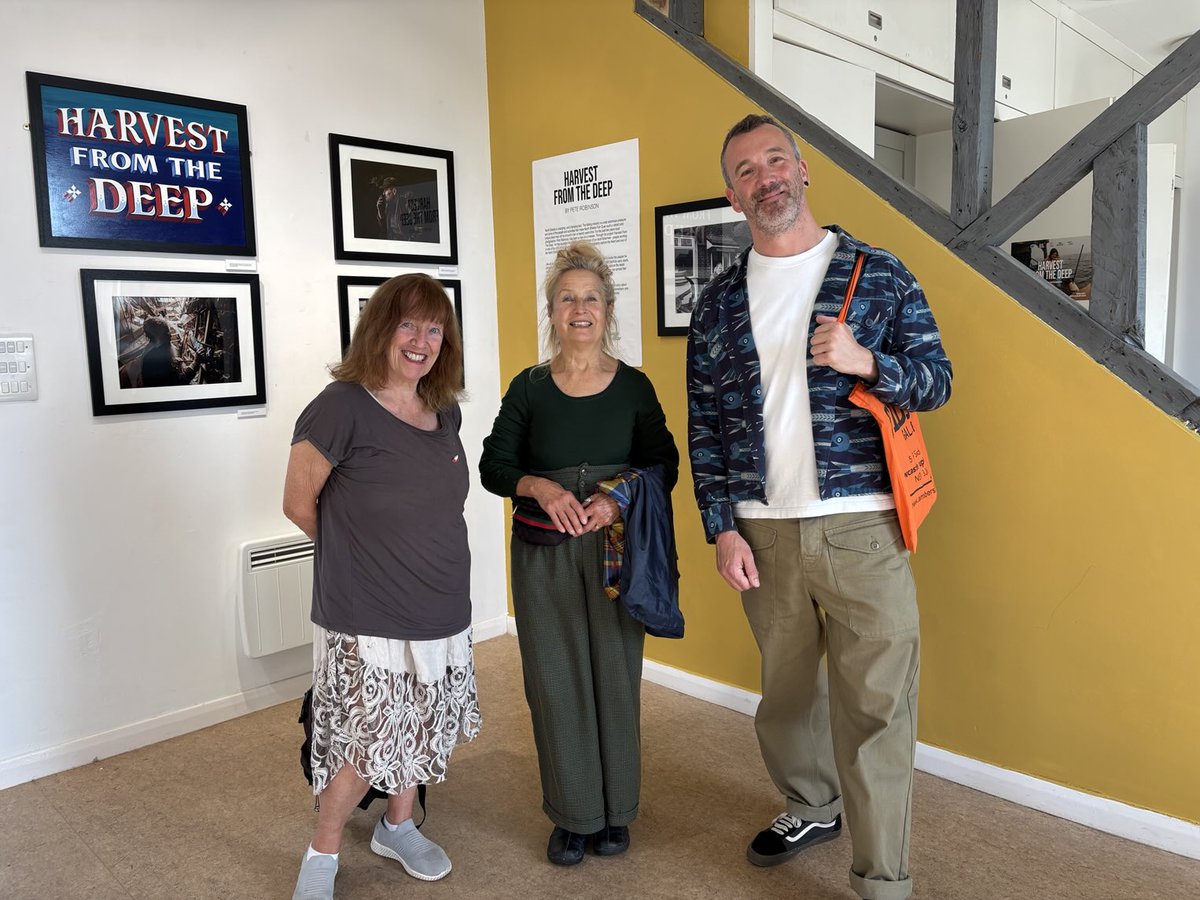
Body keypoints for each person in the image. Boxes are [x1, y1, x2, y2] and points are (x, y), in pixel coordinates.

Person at [687, 114, 952, 900]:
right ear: (733, 196)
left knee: (878, 710)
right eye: (745, 170)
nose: (764, 177)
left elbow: (937, 380)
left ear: (804, 173)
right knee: (788, 697)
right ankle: (811, 804)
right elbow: (703, 423)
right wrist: (719, 524)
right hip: (762, 534)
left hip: (865, 526)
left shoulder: (879, 272)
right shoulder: (718, 304)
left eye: (776, 161)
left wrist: (868, 360)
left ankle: (883, 881)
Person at [479, 241, 679, 866]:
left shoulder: (635, 388)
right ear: (551, 311)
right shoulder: (529, 389)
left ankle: (616, 811)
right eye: (567, 298)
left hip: (619, 549)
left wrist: (618, 500)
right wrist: (539, 484)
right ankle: (574, 814)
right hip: (546, 552)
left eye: (591, 297)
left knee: (615, 677)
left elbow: (663, 464)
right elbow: (494, 465)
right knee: (556, 680)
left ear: (609, 308)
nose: (580, 308)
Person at [283, 273, 481, 899]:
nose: (422, 340)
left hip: (441, 599)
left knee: (422, 725)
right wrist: (362, 552)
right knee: (364, 742)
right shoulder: (339, 406)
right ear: (380, 330)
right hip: (365, 610)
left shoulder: (441, 407)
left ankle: (398, 825)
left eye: (434, 327)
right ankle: (322, 852)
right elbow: (298, 504)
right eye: (408, 325)